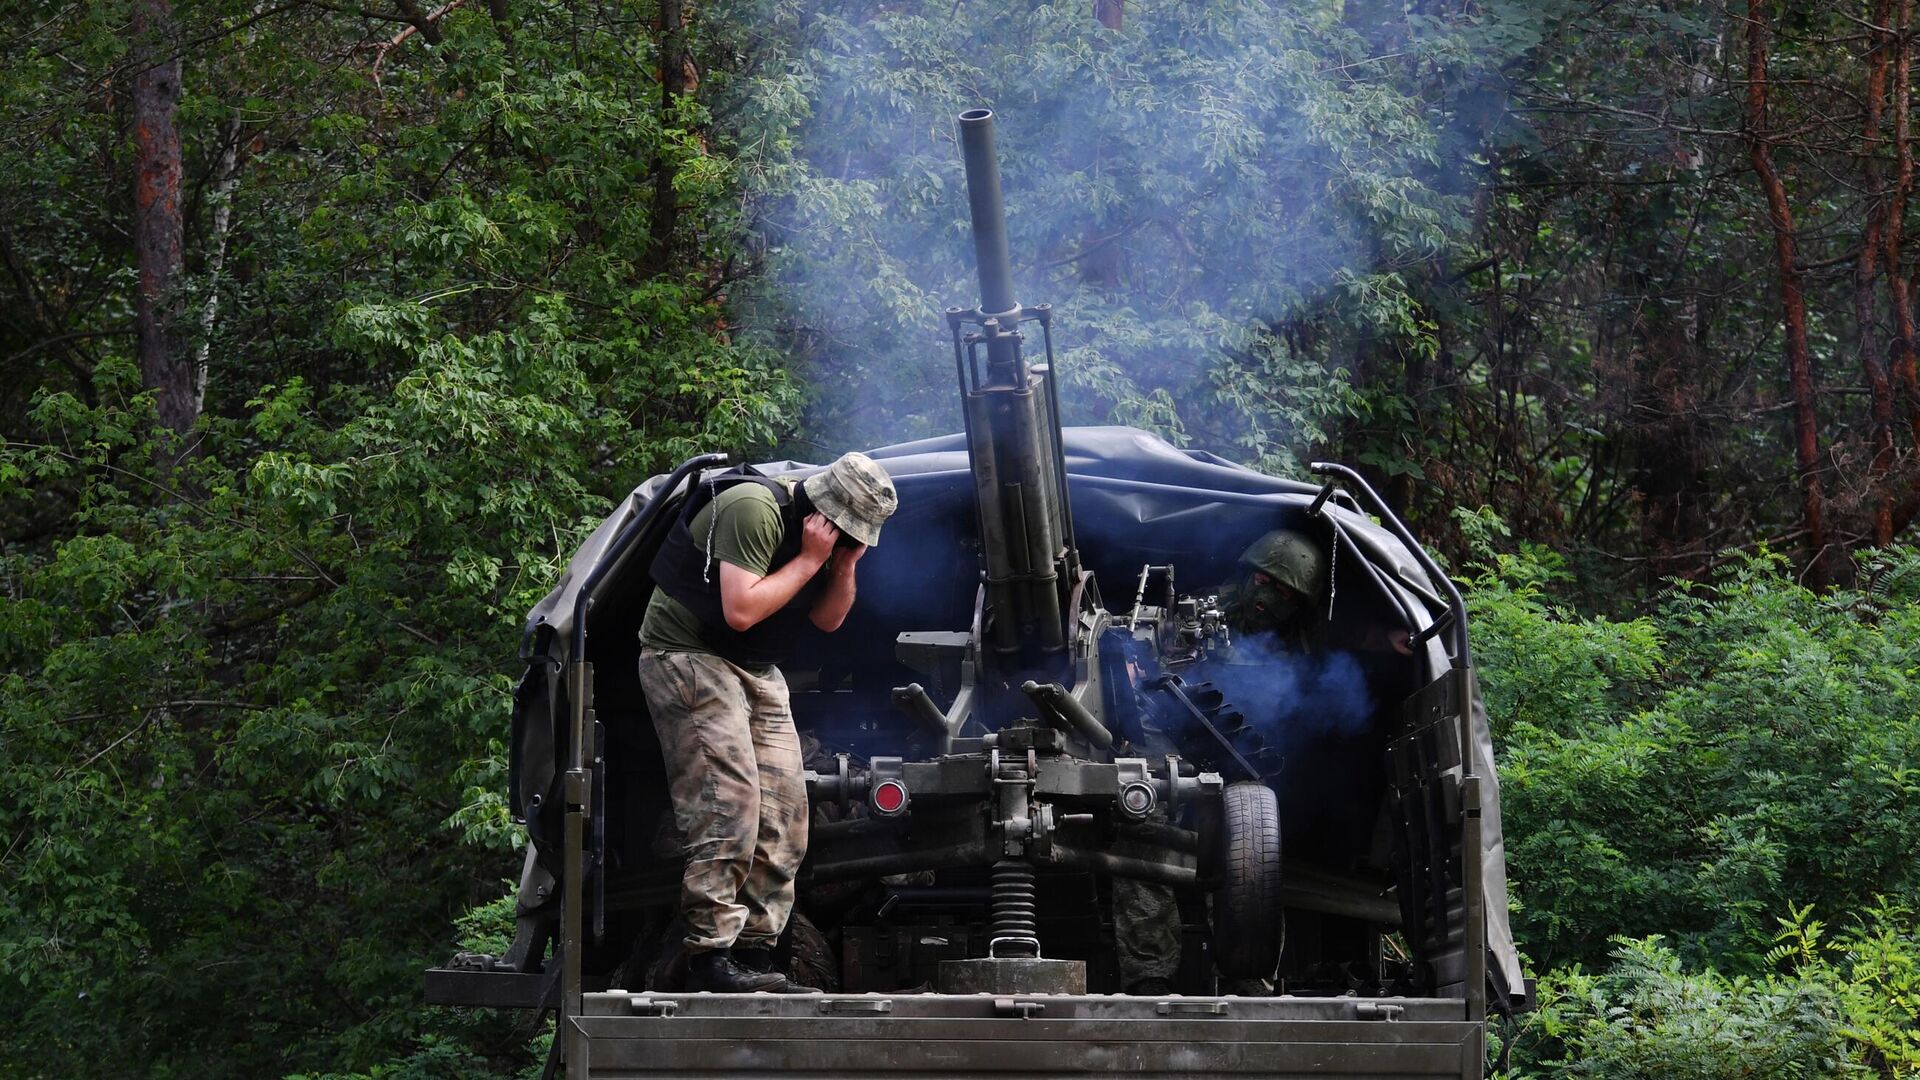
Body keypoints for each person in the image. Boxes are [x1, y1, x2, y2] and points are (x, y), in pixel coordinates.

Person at [638, 452, 898, 993]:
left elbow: (828, 619)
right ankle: (708, 955)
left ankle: (755, 956)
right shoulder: (753, 509)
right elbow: (741, 610)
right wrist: (808, 559)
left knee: (786, 810)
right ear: (823, 510)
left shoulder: (827, 543)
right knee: (727, 806)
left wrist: (842, 564)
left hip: (754, 667)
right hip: (688, 655)